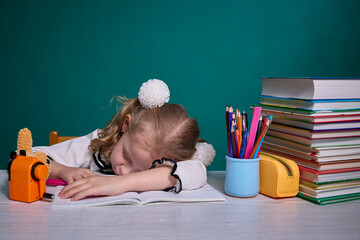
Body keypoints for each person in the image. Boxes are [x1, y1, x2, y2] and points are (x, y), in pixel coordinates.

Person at [33, 79, 215, 201]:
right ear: (126, 125)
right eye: (127, 156)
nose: (125, 171)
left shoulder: (168, 161)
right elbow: (24, 156)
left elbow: (197, 172)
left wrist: (119, 184)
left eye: (140, 170)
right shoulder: (96, 147)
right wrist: (62, 170)